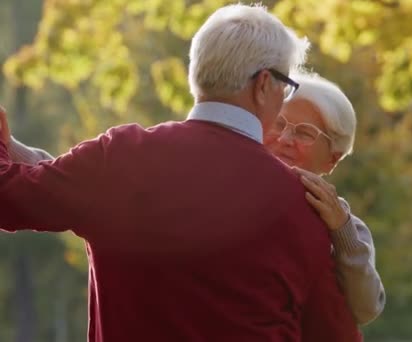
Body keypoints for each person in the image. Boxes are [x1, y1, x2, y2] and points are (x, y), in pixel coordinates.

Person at [0, 4, 360, 342]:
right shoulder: (304, 205)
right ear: (263, 84)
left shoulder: (121, 157)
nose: (284, 98)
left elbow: (11, 195)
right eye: (285, 86)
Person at [265, 73, 385, 325]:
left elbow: (366, 307)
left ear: (333, 160)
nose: (285, 139)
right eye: (278, 123)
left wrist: (342, 232)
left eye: (305, 134)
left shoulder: (346, 226)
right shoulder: (230, 185)